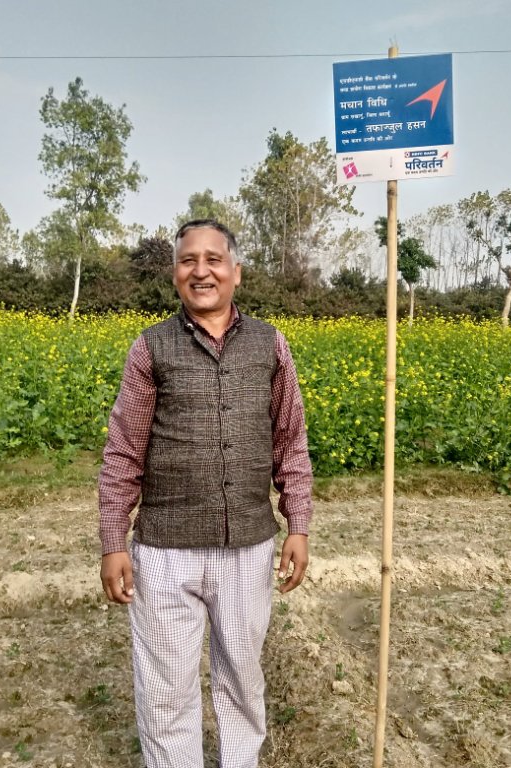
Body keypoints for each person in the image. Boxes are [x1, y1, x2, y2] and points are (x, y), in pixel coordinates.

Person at [98, 219, 313, 768]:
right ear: (175, 274)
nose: (202, 270)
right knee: (166, 692)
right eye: (188, 260)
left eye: (213, 259)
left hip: (247, 546)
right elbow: (124, 449)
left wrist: (299, 526)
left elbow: (290, 440)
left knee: (242, 681)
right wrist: (112, 540)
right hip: (164, 550)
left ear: (236, 272)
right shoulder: (151, 348)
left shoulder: (270, 344)